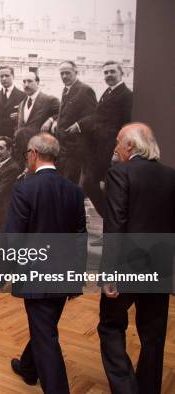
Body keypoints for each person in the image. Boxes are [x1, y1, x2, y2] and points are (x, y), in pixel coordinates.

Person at [5, 133, 87, 394]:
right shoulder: (74, 190)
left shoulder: (25, 188)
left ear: (34, 154)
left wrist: (1, 273)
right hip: (63, 274)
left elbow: (14, 238)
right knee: (45, 326)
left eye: (26, 153)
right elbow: (80, 236)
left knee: (45, 335)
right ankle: (29, 368)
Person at [97, 123, 175, 394]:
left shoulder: (119, 172)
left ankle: (126, 389)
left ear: (130, 146)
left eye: (118, 142)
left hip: (126, 268)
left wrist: (108, 273)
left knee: (110, 328)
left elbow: (115, 224)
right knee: (153, 336)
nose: (116, 148)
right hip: (160, 267)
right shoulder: (170, 175)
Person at [78, 61, 133, 220]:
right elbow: (98, 117)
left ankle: (113, 226)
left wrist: (118, 152)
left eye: (112, 72)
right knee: (91, 185)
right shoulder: (108, 93)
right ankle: (110, 222)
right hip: (99, 150)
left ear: (121, 73)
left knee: (104, 188)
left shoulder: (126, 95)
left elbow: (127, 125)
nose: (108, 75)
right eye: (106, 72)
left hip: (112, 151)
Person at [47, 60, 97, 184]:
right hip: (62, 146)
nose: (64, 76)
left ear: (76, 72)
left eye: (67, 73)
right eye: (62, 73)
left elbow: (94, 115)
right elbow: (66, 112)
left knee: (71, 181)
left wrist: (79, 125)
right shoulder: (66, 90)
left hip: (75, 146)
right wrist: (56, 122)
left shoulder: (85, 90)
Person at [13, 71, 60, 167]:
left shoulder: (49, 100)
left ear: (37, 83)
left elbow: (61, 112)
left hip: (40, 150)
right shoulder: (22, 103)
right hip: (22, 152)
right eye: (24, 81)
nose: (26, 84)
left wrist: (51, 120)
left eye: (29, 81)